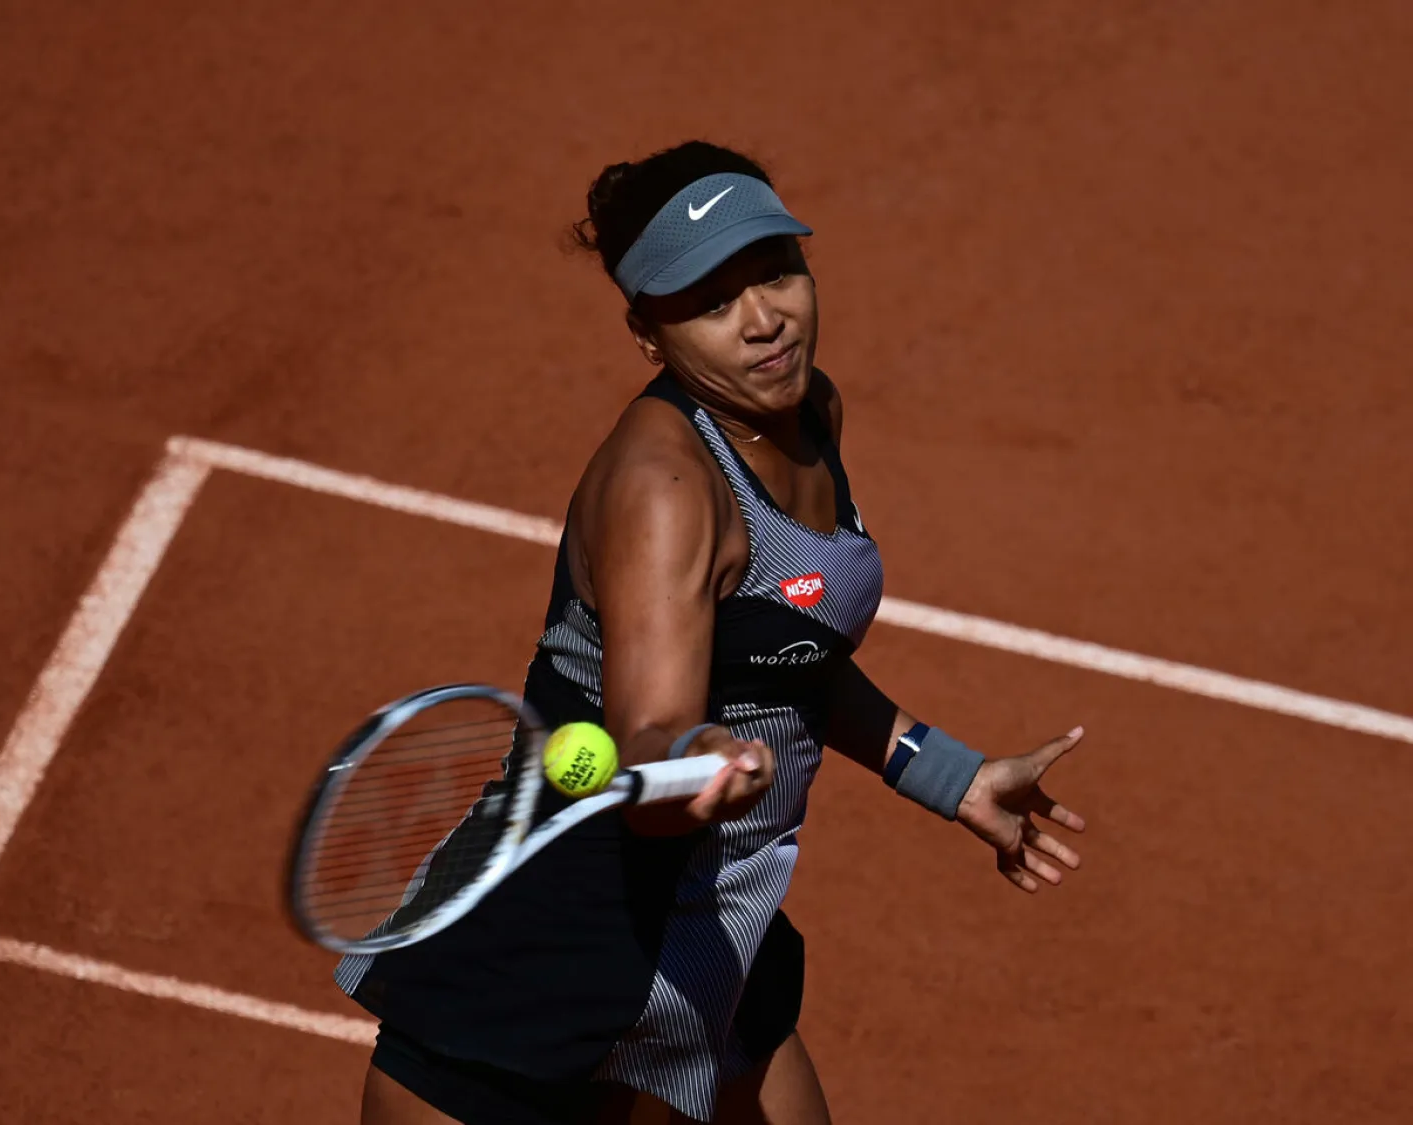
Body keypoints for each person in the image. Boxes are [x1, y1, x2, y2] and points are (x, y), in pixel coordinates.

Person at [338, 140, 1087, 1125]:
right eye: (711, 301)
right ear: (648, 335)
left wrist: (949, 774)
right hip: (563, 941)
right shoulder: (667, 490)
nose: (763, 319)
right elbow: (648, 750)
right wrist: (692, 764)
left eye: (775, 270)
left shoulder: (808, 411)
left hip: (715, 911)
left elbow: (787, 653)